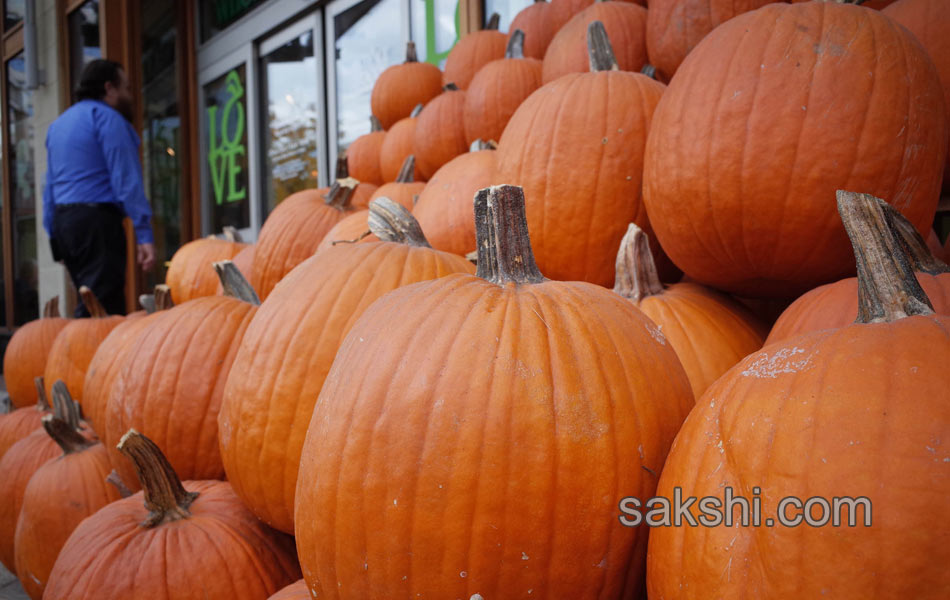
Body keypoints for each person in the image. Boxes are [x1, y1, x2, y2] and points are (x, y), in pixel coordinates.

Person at [43, 59, 155, 317]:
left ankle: (80, 354)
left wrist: (54, 239)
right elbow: (126, 180)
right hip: (97, 223)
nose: (129, 95)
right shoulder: (108, 119)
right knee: (102, 309)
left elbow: (48, 187)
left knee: (89, 301)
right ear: (109, 88)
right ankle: (85, 358)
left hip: (65, 222)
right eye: (126, 88)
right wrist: (144, 233)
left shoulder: (58, 126)